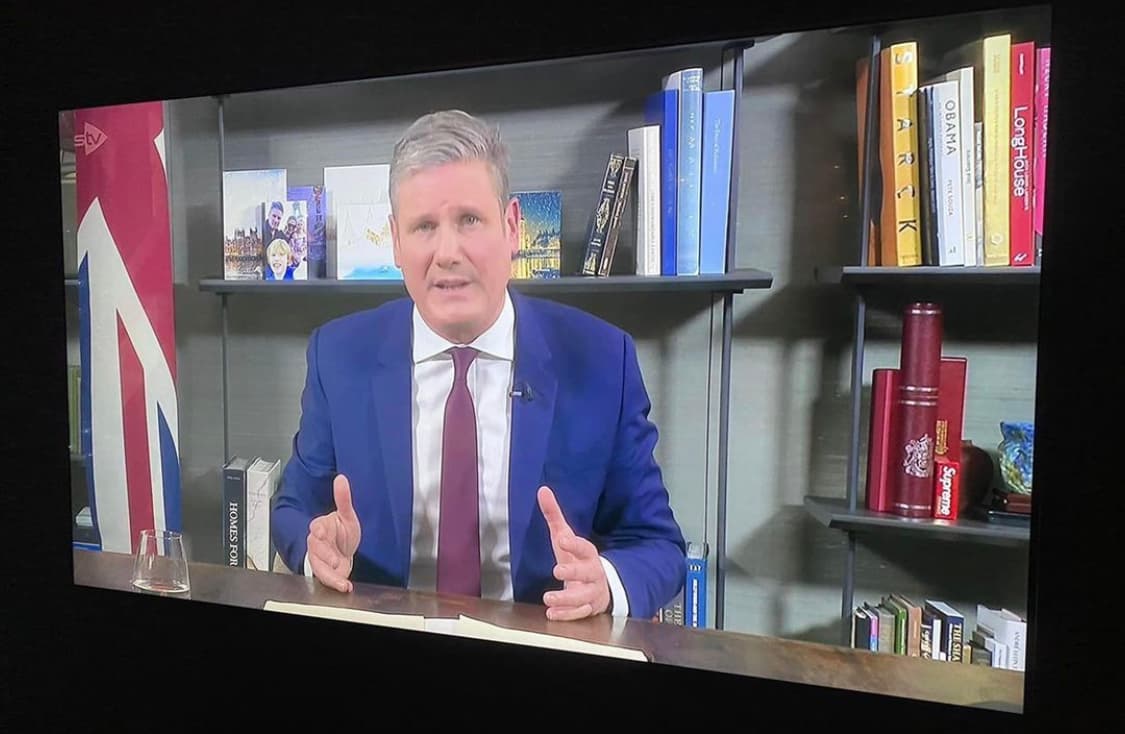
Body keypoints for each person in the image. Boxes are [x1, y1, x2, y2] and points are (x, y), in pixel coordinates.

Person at [270, 110, 686, 621]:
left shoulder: (602, 359)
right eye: (424, 227)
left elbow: (657, 544)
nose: (447, 252)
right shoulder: (338, 354)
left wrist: (604, 583)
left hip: (542, 637)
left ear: (511, 227)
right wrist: (316, 550)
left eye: (469, 220)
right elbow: (293, 509)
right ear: (396, 242)